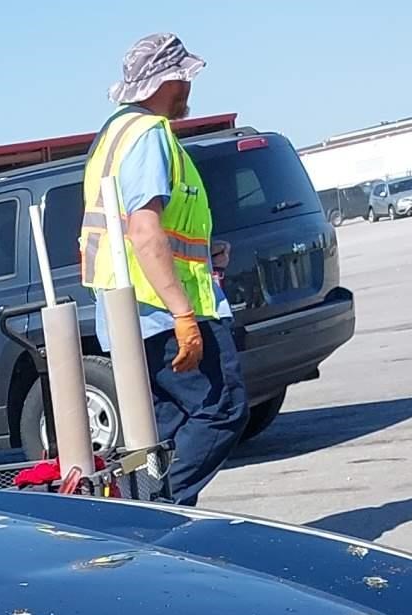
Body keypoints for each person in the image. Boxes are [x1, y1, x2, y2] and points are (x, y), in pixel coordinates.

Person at [79, 33, 246, 505]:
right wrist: (184, 314)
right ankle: (160, 509)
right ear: (165, 80)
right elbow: (145, 232)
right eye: (184, 79)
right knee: (222, 408)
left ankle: (163, 526)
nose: (189, 89)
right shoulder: (149, 135)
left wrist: (204, 256)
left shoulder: (112, 135)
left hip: (127, 311)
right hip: (160, 309)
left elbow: (148, 234)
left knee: (169, 425)